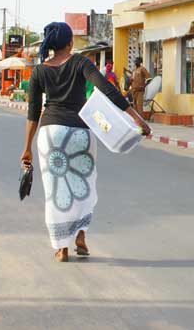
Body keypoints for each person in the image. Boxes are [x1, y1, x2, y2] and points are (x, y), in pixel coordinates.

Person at [20, 22, 150, 263]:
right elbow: (107, 90)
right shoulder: (80, 62)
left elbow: (33, 112)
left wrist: (27, 147)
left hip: (51, 134)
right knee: (83, 186)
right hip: (80, 132)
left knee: (55, 191)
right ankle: (80, 235)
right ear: (70, 43)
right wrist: (137, 117)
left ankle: (62, 248)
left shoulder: (39, 71)